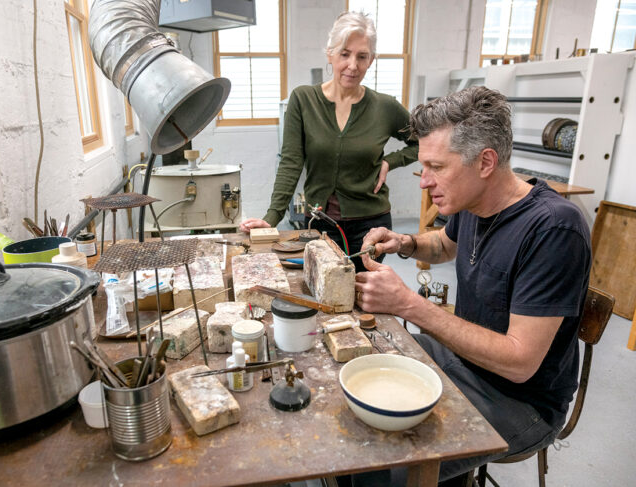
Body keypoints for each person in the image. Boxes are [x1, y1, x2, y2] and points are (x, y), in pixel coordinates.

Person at [351, 86, 592, 485]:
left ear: (485, 162)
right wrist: (407, 243)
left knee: (377, 469)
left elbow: (519, 362)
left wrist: (409, 304)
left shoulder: (554, 230)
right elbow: (446, 244)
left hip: (519, 401)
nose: (424, 181)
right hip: (461, 361)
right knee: (358, 366)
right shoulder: (475, 203)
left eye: (436, 167)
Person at [239, 11, 418, 272]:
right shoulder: (303, 100)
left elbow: (423, 141)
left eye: (362, 56)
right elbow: (291, 162)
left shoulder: (385, 106)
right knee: (324, 290)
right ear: (330, 54)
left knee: (361, 295)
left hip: (371, 225)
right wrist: (272, 218)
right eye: (345, 54)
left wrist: (390, 161)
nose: (353, 65)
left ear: (371, 60)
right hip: (320, 222)